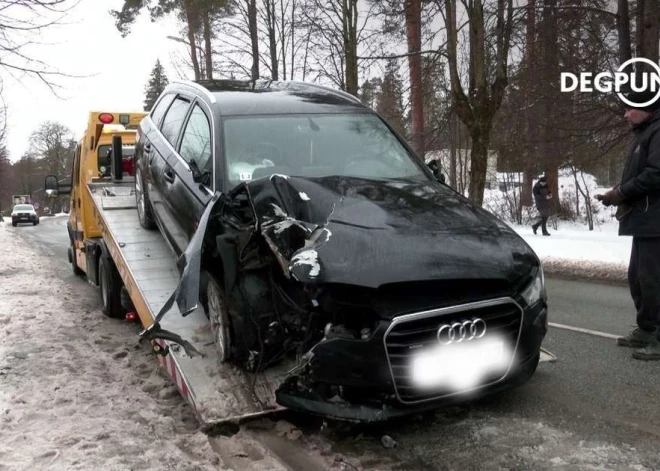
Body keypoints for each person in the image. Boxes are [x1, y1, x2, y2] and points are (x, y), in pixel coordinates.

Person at [595, 87, 660, 361]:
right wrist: (618, 192)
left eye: (628, 108)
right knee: (638, 278)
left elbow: (656, 174)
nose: (624, 114)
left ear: (644, 108)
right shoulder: (645, 133)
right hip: (644, 220)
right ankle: (646, 329)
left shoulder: (658, 131)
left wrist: (621, 193)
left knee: (654, 280)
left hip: (656, 221)